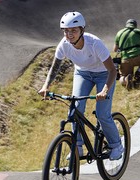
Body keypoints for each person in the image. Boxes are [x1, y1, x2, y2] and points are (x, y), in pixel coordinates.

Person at [38, 11, 124, 160]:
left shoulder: (94, 43)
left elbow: (112, 70)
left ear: (81, 30)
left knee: (102, 113)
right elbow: (54, 67)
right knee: (75, 110)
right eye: (66, 31)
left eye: (73, 30)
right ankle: (77, 147)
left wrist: (104, 90)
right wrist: (46, 86)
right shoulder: (64, 45)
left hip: (104, 75)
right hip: (82, 74)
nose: (69, 34)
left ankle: (116, 145)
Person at [113, 19, 140, 90]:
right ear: (135, 25)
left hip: (125, 60)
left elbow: (115, 49)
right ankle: (139, 71)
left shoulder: (120, 33)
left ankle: (126, 80)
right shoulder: (139, 32)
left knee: (122, 76)